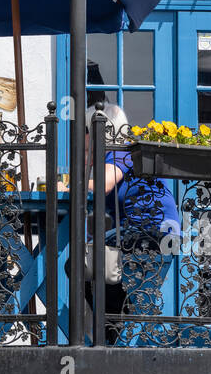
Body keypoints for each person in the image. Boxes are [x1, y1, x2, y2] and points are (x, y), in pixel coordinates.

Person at [68, 101, 181, 342]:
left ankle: (112, 336)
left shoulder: (123, 149)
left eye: (85, 132)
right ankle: (115, 335)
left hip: (152, 232)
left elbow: (102, 185)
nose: (82, 138)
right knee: (91, 264)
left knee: (80, 263)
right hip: (145, 231)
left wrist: (66, 184)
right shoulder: (113, 154)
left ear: (99, 131)